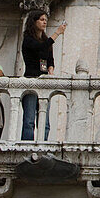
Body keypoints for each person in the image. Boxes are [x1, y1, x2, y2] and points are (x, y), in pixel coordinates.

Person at [21, 10, 67, 141]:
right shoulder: (28, 40)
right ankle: (27, 145)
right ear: (34, 22)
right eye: (41, 19)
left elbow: (49, 58)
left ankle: (43, 143)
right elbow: (40, 48)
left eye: (45, 19)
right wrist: (57, 33)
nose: (45, 21)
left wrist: (51, 68)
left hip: (44, 81)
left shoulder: (45, 40)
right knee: (29, 120)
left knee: (45, 122)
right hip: (31, 81)